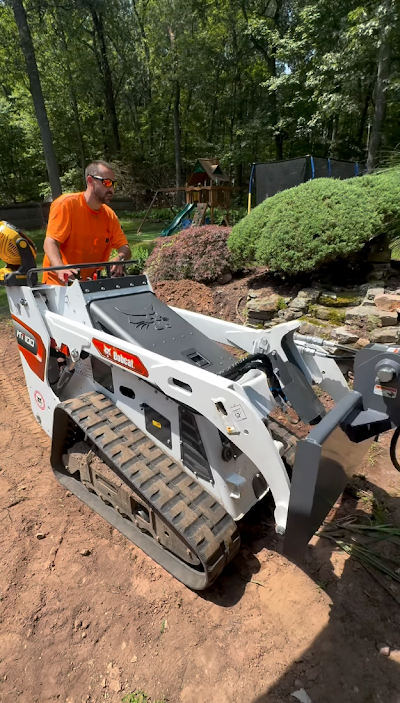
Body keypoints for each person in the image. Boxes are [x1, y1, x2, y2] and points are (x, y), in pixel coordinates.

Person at [42, 160, 130, 285]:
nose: (111, 189)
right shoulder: (66, 205)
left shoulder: (109, 215)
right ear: (90, 181)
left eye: (113, 184)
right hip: (59, 286)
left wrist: (119, 258)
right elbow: (50, 242)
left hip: (89, 286)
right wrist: (60, 268)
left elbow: (125, 247)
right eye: (106, 183)